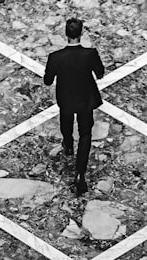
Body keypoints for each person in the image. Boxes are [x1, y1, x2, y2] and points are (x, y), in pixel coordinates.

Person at [43, 17, 104, 196]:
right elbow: (100, 73)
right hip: (85, 99)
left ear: (65, 34)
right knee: (86, 134)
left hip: (66, 98)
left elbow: (47, 81)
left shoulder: (55, 57)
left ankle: (68, 145)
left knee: (66, 122)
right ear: (81, 33)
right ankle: (80, 174)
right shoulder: (90, 54)